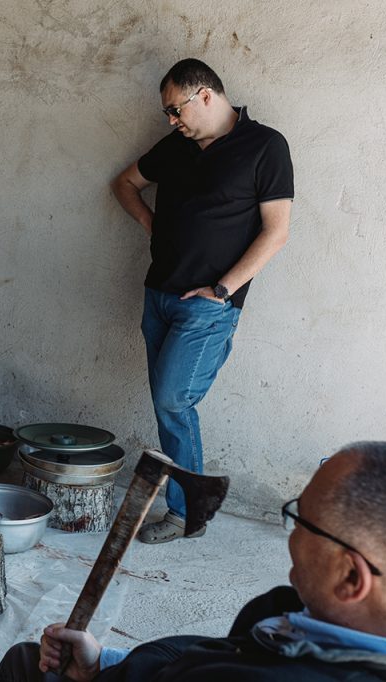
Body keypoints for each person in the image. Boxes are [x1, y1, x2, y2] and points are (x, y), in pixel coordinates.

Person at [0, 441, 386, 681]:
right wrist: (106, 664)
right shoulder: (300, 615)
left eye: (301, 519)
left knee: (23, 666)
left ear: (350, 577)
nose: (293, 532)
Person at [111, 58, 294, 543]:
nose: (172, 121)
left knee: (173, 398)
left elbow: (276, 233)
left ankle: (187, 509)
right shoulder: (176, 147)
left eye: (176, 110)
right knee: (167, 404)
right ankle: (189, 508)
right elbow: (124, 183)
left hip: (207, 306)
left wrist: (222, 291)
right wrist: (151, 224)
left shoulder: (265, 146)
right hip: (159, 294)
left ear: (205, 95)